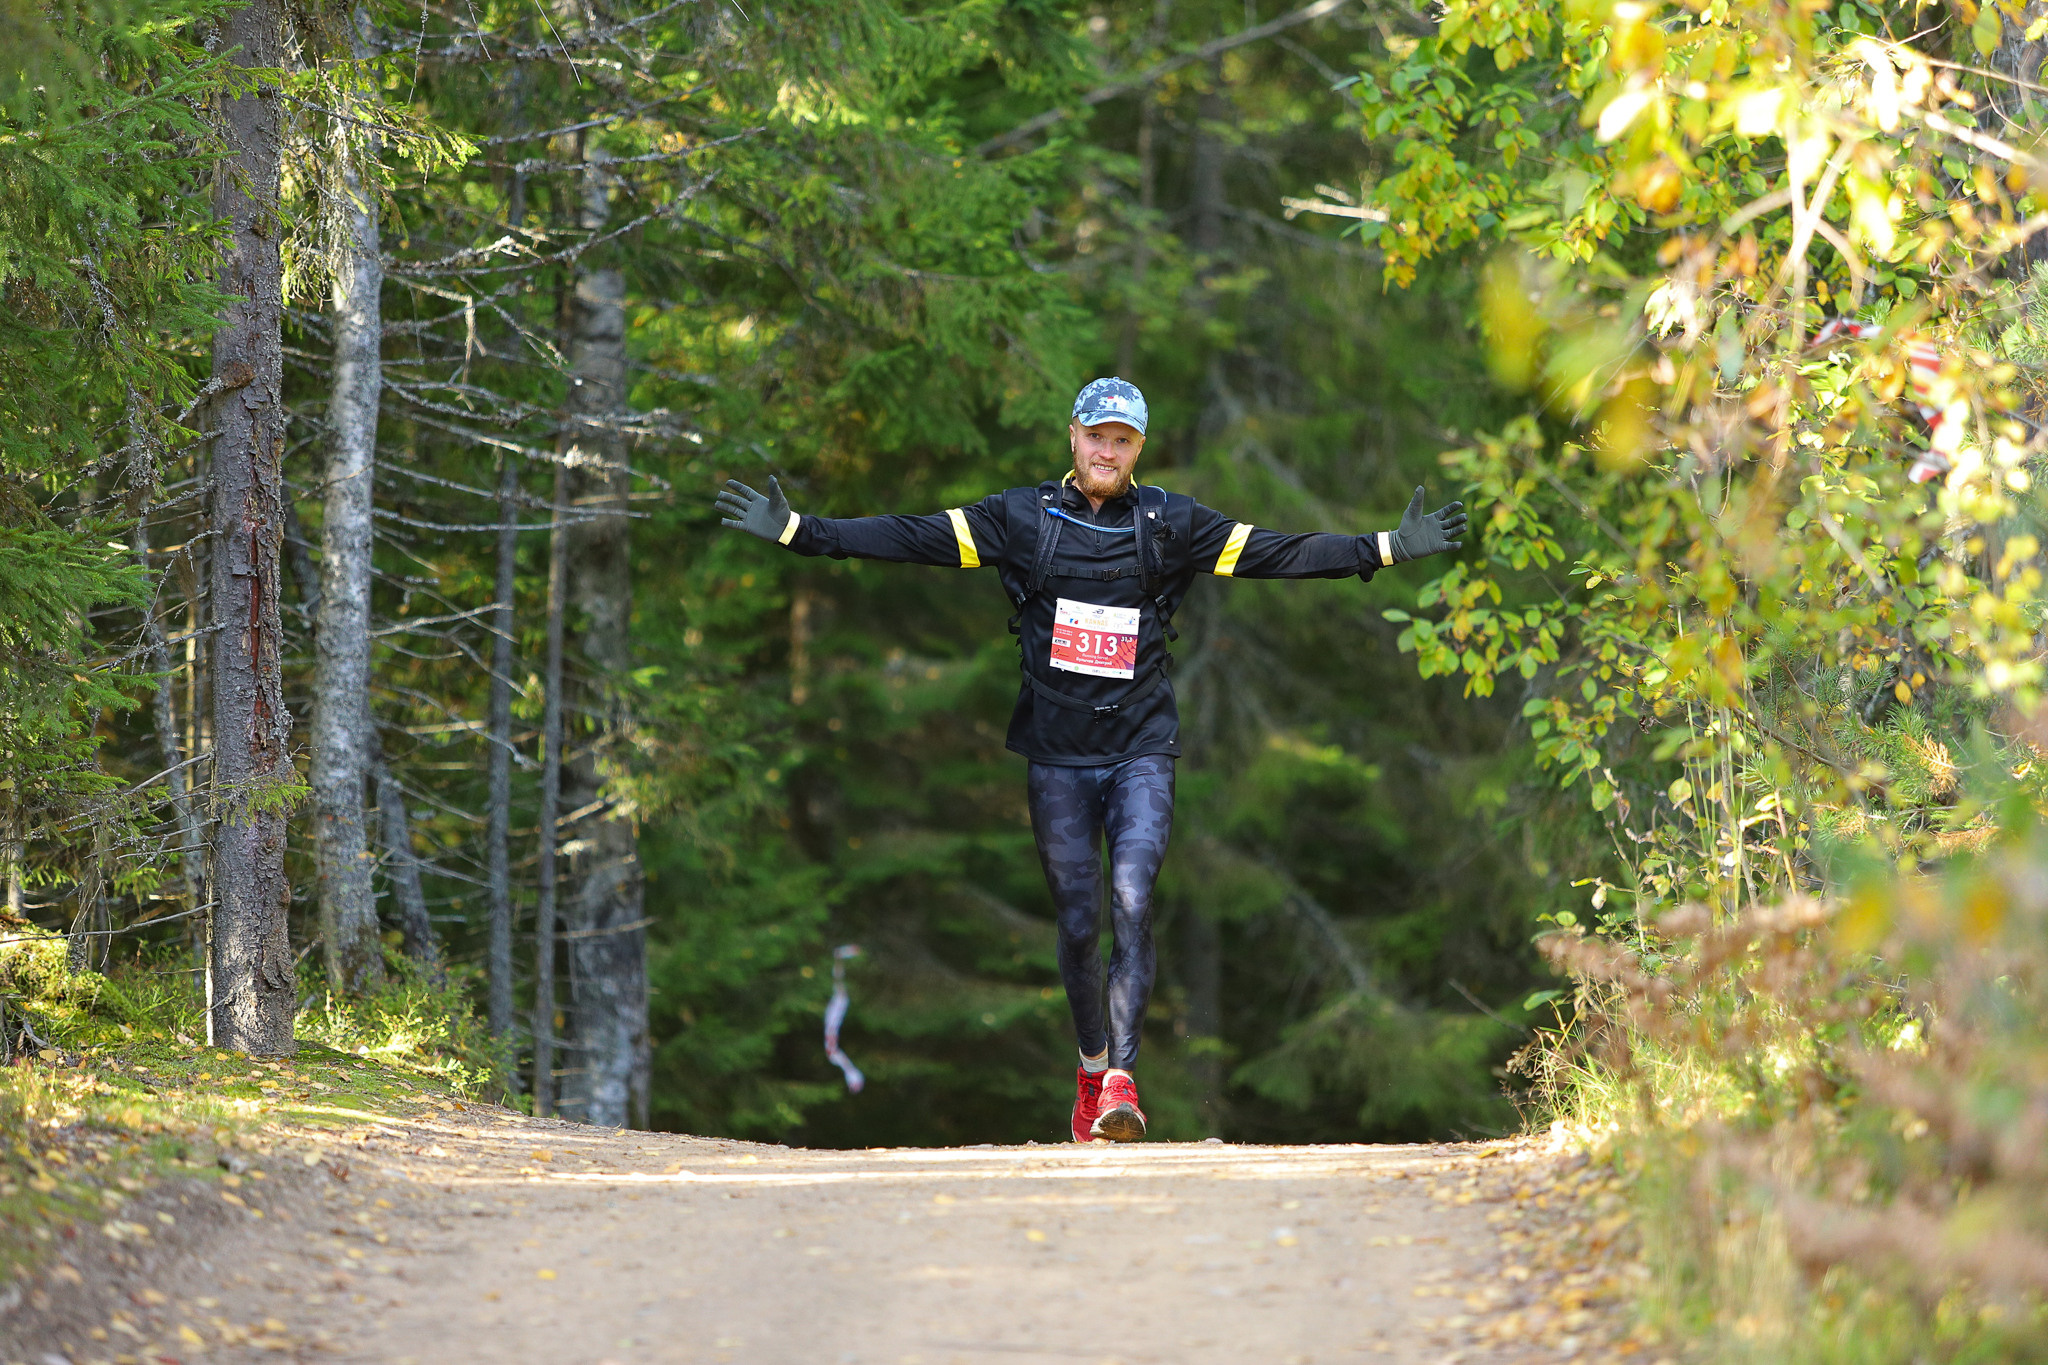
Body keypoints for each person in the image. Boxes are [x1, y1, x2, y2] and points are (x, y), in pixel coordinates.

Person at [716, 377, 1467, 1142]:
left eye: (1124, 440)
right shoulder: (1018, 517)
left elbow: (1280, 550)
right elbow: (911, 537)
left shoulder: (1168, 522)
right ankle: (1090, 1070)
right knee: (1078, 923)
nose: (1108, 451)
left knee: (1135, 897)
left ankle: (1121, 1081)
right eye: (1098, 436)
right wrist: (800, 531)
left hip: (1142, 745)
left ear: (1139, 448)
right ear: (1072, 436)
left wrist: (1386, 546)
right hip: (1058, 755)